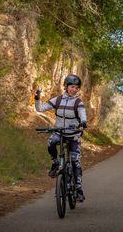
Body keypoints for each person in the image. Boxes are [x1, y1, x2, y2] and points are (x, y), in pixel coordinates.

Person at [34, 74, 87, 202]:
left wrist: (83, 122)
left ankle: (79, 190)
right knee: (51, 142)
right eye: (71, 87)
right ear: (66, 87)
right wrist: (37, 97)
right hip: (59, 132)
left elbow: (82, 114)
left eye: (76, 87)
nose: (74, 89)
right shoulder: (57, 100)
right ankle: (55, 163)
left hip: (73, 135)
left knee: (75, 161)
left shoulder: (78, 103)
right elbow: (40, 109)